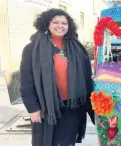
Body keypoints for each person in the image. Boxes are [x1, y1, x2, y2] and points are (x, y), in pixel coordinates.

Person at [20, 9, 94, 146]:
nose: (60, 26)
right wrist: (33, 108)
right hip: (46, 107)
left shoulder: (76, 47)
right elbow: (26, 81)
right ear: (47, 24)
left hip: (73, 105)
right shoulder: (32, 49)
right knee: (47, 142)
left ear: (69, 26)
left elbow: (86, 76)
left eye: (64, 23)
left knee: (66, 141)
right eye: (55, 22)